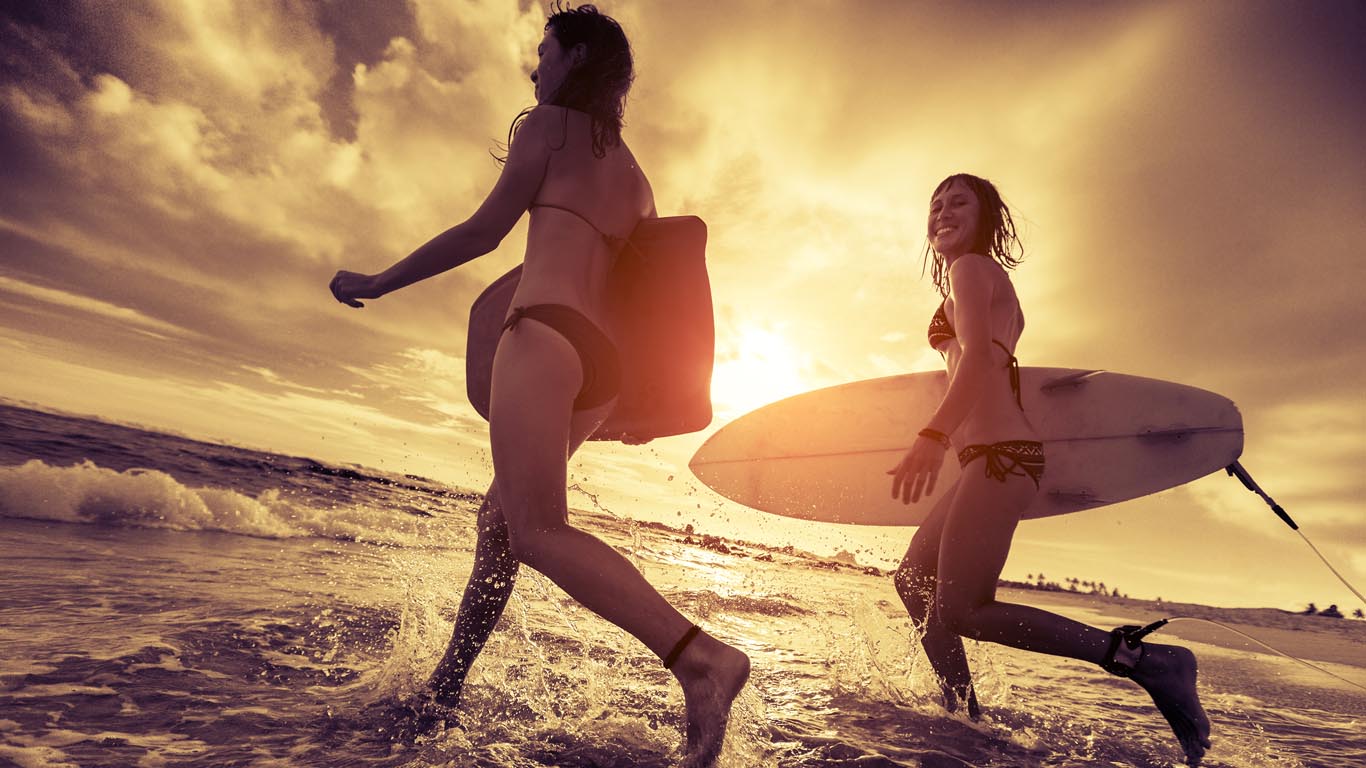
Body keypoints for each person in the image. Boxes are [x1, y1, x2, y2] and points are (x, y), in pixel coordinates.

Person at [328, 5, 749, 765]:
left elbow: (482, 233)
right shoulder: (635, 176)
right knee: (500, 527)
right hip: (598, 364)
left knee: (537, 531)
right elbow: (651, 306)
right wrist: (636, 404)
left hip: (545, 333)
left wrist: (380, 281)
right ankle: (446, 686)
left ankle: (700, 660)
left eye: (544, 52)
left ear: (577, 56)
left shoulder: (546, 127)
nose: (535, 67)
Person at [886, 174, 1211, 765]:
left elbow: (981, 367)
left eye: (958, 201)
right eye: (934, 204)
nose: (941, 211)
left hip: (1000, 457)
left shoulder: (972, 269)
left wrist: (931, 436)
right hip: (987, 461)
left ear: (985, 216)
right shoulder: (975, 279)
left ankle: (1148, 661)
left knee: (964, 609)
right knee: (913, 581)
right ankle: (963, 712)